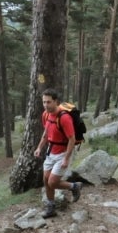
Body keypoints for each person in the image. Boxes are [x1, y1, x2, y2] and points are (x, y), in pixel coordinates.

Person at [33, 88, 83, 218]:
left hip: (63, 153)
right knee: (46, 180)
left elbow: (72, 139)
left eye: (48, 102)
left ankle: (74, 186)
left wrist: (66, 158)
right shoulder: (46, 115)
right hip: (51, 152)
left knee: (53, 182)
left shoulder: (64, 118)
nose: (45, 105)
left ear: (56, 102)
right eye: (44, 102)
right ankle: (51, 208)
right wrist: (39, 148)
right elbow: (46, 133)